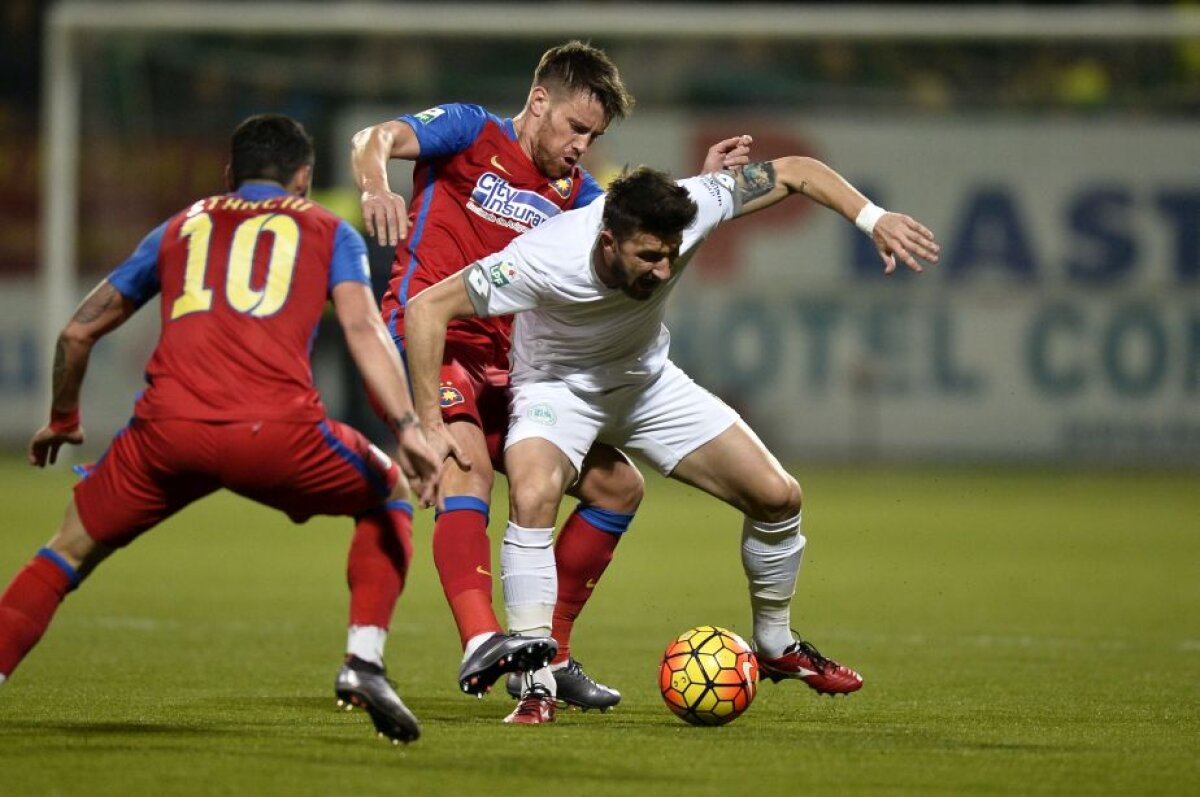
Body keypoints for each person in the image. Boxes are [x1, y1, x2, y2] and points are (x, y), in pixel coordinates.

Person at [404, 158, 941, 723]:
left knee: (779, 497)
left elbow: (794, 171)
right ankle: (535, 681)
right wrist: (427, 422)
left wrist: (872, 218)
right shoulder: (545, 258)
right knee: (534, 495)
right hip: (557, 392)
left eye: (671, 254)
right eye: (649, 257)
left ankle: (777, 644)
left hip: (647, 384)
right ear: (608, 242)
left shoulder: (696, 202)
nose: (664, 271)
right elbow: (426, 308)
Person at [0, 114, 447, 745]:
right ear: (303, 179)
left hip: (164, 437)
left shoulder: (181, 225)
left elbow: (78, 332)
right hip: (276, 434)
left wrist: (64, 417)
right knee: (391, 492)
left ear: (230, 175)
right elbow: (362, 329)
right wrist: (406, 426)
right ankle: (364, 663)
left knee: (65, 550)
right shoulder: (325, 228)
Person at [351, 40, 753, 710]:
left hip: (510, 365)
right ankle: (483, 638)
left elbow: (638, 233)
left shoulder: (582, 195)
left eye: (594, 136)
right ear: (539, 101)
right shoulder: (469, 131)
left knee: (618, 488)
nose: (581, 145)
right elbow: (374, 137)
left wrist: (696, 188)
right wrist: (374, 184)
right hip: (430, 338)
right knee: (468, 466)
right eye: (575, 127)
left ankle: (551, 652)